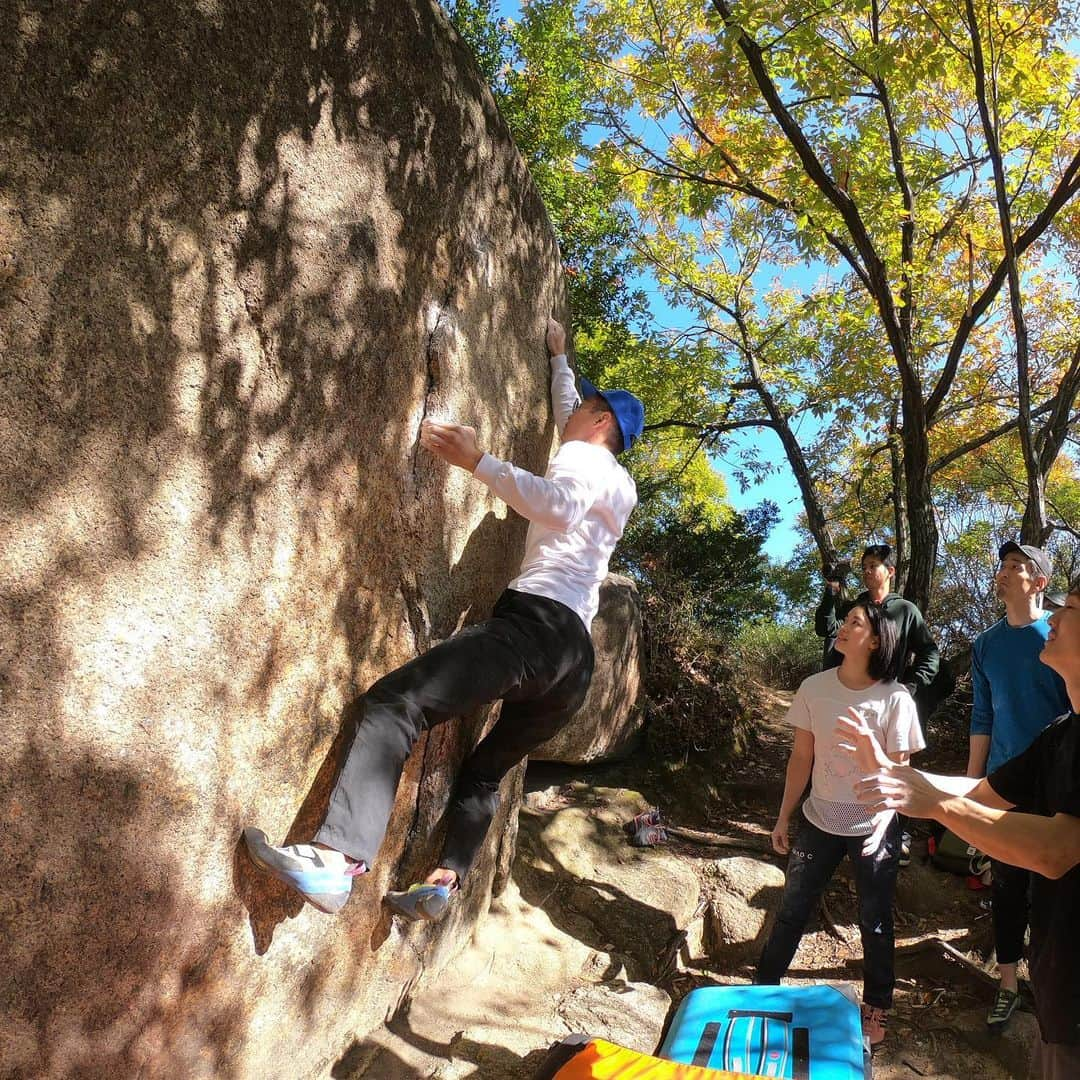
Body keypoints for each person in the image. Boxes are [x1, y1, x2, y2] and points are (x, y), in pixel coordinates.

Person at [243, 317, 644, 921]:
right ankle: (446, 880)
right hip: (574, 665)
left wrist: (476, 459)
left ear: (599, 421)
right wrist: (560, 359)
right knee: (484, 774)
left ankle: (335, 862)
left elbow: (558, 504)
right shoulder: (618, 479)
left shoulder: (581, 460)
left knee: (396, 703)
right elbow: (571, 414)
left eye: (582, 408)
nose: (570, 414)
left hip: (535, 627)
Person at [838, 581, 1080, 1079]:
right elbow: (982, 792)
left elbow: (1058, 850)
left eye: (1069, 611)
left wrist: (937, 806)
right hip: (1061, 1001)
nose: (1051, 622)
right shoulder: (1062, 732)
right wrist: (893, 770)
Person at [756, 601, 925, 1050]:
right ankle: (763, 986)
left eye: (855, 622)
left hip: (875, 823)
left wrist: (884, 826)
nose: (843, 627)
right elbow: (801, 758)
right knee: (793, 907)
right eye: (845, 620)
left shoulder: (896, 698)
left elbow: (902, 775)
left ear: (876, 640)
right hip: (819, 818)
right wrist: (784, 815)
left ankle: (877, 1004)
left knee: (874, 918)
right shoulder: (814, 688)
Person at [967, 542, 1069, 1032]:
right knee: (1006, 888)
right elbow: (982, 715)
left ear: (1040, 582)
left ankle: (1055, 993)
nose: (1005, 573)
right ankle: (1008, 985)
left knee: (1053, 890)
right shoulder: (984, 645)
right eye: (1003, 566)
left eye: (1017, 567)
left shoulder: (1059, 637)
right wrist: (972, 783)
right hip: (1005, 781)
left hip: (1060, 783)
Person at [816, 542, 944, 864]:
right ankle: (844, 832)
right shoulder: (855, 608)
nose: (869, 571)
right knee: (847, 760)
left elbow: (929, 652)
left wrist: (911, 685)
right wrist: (832, 592)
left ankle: (894, 835)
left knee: (894, 765)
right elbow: (826, 628)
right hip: (852, 697)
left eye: (875, 565)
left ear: (891, 571)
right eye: (865, 566)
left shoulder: (905, 611)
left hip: (890, 701)